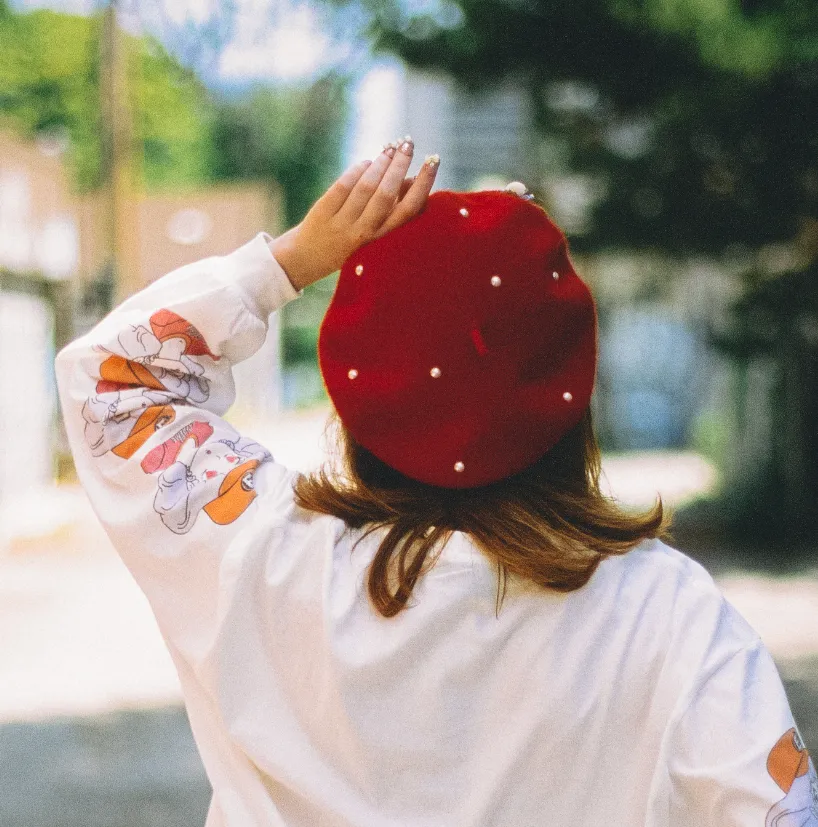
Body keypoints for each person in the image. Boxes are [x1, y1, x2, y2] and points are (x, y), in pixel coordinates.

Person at [56, 137, 817, 827]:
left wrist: (291, 260)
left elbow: (108, 381)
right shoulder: (670, 611)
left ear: (354, 396)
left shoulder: (262, 553)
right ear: (572, 393)